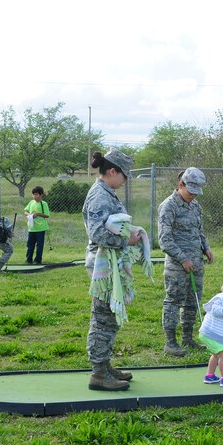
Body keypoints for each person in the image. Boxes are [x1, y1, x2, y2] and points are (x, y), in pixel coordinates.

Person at [83, 149, 140, 391]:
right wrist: (126, 241)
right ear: (113, 171)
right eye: (124, 175)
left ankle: (105, 366)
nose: (126, 180)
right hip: (101, 264)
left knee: (109, 318)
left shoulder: (107, 193)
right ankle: (98, 372)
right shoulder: (99, 195)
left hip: (110, 263)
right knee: (103, 318)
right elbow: (96, 232)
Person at [158, 167, 213, 356]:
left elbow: (199, 231)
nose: (193, 196)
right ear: (180, 185)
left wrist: (206, 248)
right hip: (177, 266)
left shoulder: (195, 206)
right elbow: (164, 240)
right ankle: (170, 342)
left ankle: (187, 338)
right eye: (191, 191)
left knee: (193, 301)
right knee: (173, 301)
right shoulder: (169, 206)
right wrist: (183, 259)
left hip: (196, 263)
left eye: (197, 193)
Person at [24, 186, 50, 264]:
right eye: (33, 194)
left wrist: (38, 214)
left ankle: (38, 260)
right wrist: (29, 214)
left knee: (39, 245)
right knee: (30, 244)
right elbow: (25, 211)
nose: (34, 196)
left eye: (36, 194)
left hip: (40, 228)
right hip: (31, 228)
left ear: (41, 195)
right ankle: (29, 259)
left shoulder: (44, 204)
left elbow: (47, 215)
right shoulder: (31, 202)